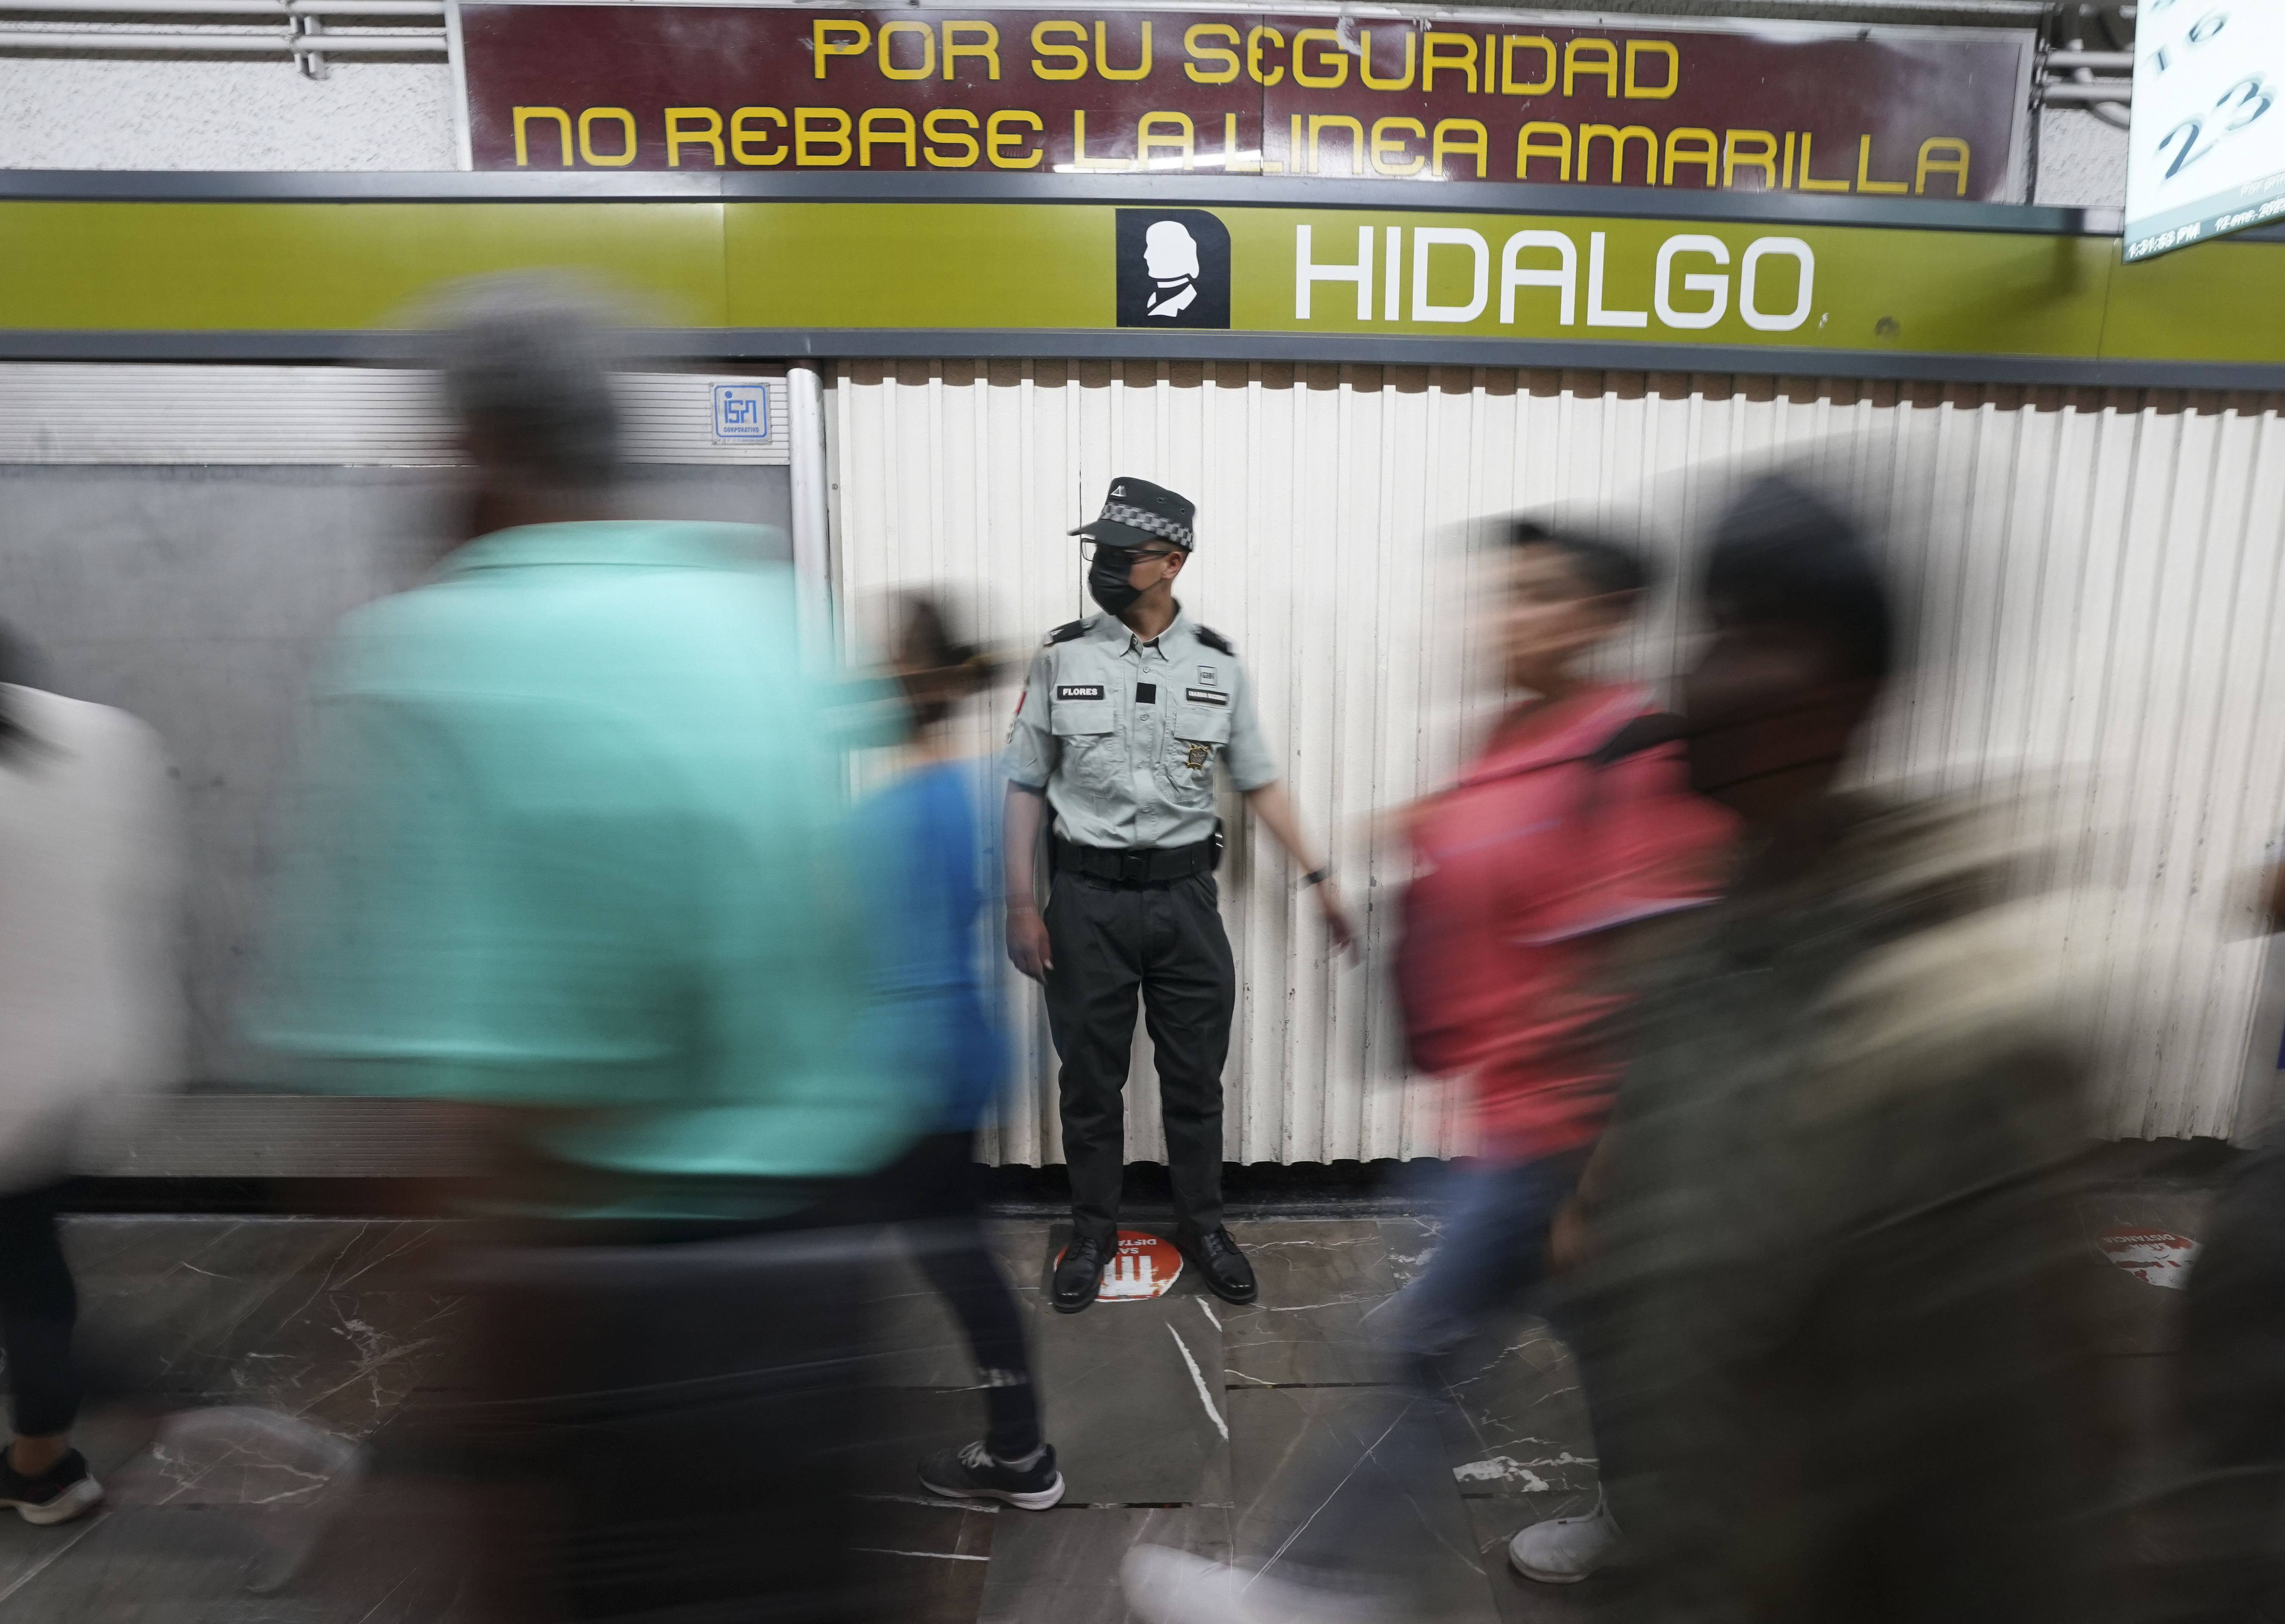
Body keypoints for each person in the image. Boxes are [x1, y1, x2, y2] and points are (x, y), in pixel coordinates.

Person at [242, 278, 913, 1621]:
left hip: (608, 1322)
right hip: (827, 1290)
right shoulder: (760, 618)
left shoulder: (439, 652)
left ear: (478, 443)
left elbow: (490, 1120)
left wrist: (479, 1453)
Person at [1505, 475, 2116, 1622]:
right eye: (1715, 629)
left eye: (1756, 634)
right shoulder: (1707, 954)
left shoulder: (1959, 1038)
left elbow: (2019, 1507)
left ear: (1853, 693)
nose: (1704, 679)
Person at [1118, 522, 1732, 1624]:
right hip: (1501, 1109)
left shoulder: (1633, 751)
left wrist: (1600, 1181)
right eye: (1497, 593)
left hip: (1564, 1134)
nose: (1501, 616)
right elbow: (1494, 848)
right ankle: (1661, 1521)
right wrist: (1408, 836)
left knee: (1417, 1350)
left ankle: (1315, 1587)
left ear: (1605, 616)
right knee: (1596, 1334)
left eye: (1536, 596)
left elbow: (1660, 981)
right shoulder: (1516, 733)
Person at [1003, 477, 1355, 1314]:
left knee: (1195, 1083)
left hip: (1185, 907)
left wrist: (1319, 877)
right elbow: (1022, 783)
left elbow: (1260, 782)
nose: (1104, 565)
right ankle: (1092, 1232)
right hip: (1083, 903)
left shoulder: (1216, 665)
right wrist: (1020, 901)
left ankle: (1204, 1224)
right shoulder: (1059, 657)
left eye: (1121, 553)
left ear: (1172, 561)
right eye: (1099, 551)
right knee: (1089, 1085)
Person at [857, 590, 1063, 1511]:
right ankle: (1017, 1450)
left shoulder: (888, 812)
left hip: (905, 1068)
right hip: (951, 1053)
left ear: (917, 676)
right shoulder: (980, 789)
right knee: (948, 1254)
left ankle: (1021, 1456)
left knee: (942, 1257)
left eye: (892, 653)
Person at [0, 626, 180, 1527]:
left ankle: (126, 1396)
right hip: (91, 1057)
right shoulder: (106, 737)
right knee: (23, 1251)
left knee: (21, 1266)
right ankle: (43, 1463)